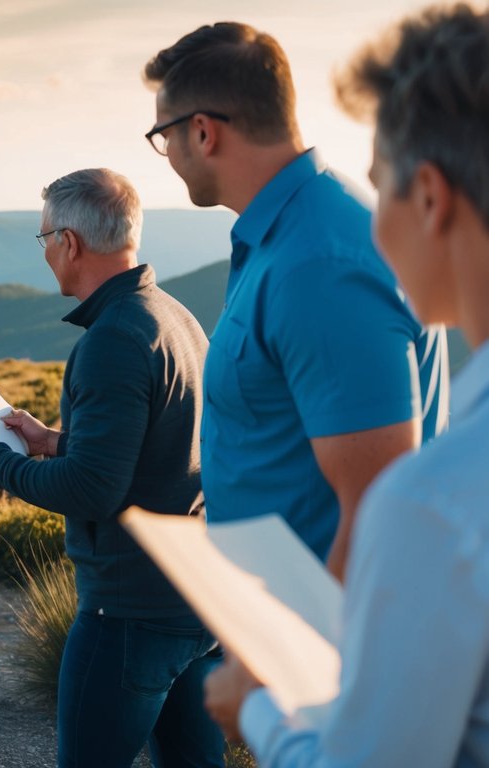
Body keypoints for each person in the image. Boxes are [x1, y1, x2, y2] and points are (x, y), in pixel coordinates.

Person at [203, 6, 489, 764]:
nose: (369, 225)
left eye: (379, 187)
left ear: (427, 198)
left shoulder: (433, 506)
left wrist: (259, 705)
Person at [142, 21, 448, 578]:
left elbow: (377, 508)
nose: (164, 153)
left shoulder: (318, 265)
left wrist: (284, 660)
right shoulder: (292, 237)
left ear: (204, 132)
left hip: (317, 644)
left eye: (163, 135)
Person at [0, 169, 223, 767]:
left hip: (128, 613)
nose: (45, 249)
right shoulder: (175, 318)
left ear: (70, 243)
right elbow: (151, 450)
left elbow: (92, 489)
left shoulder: (112, 341)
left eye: (44, 236)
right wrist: (52, 441)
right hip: (194, 599)